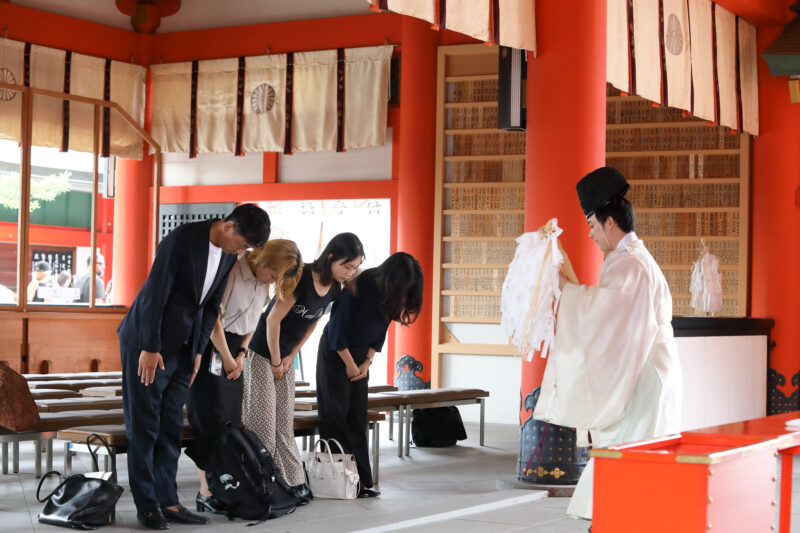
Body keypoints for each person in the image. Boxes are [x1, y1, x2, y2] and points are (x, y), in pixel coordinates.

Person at [532, 166, 682, 522]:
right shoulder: (635, 260)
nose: (591, 235)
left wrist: (567, 290)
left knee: (626, 465)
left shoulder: (628, 264)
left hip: (645, 378)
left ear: (610, 222)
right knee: (632, 466)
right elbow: (610, 317)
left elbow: (601, 316)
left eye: (592, 226)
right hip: (651, 371)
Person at [117, 203, 270, 530]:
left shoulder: (229, 255)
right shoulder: (181, 240)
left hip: (184, 348)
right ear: (228, 227)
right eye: (242, 244)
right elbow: (155, 295)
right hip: (148, 345)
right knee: (145, 426)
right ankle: (147, 506)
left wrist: (199, 351)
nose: (242, 252)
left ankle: (168, 501)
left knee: (170, 425)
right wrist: (149, 346)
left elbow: (210, 304)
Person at [243, 232, 364, 503]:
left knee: (284, 424)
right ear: (331, 257)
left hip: (285, 357)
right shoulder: (301, 276)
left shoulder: (334, 287)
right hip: (261, 352)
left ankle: (294, 482)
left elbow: (313, 323)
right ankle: (265, 485)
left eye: (355, 268)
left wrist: (290, 357)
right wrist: (275, 360)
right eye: (347, 266)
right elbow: (272, 321)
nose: (350, 272)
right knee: (263, 426)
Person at [188, 239, 303, 515]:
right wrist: (229, 357)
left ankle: (223, 486)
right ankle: (206, 490)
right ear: (265, 262)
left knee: (230, 422)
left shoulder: (263, 285)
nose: (273, 282)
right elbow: (212, 318)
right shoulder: (233, 270)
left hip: (237, 353)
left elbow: (254, 322)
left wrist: (240, 354)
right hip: (213, 347)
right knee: (209, 420)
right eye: (274, 275)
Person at [317, 251, 423, 498]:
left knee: (356, 417)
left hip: (361, 357)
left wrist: (366, 362)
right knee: (336, 415)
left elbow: (381, 330)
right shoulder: (360, 283)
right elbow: (337, 327)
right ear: (390, 276)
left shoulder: (390, 294)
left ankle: (361, 481)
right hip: (337, 353)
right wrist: (349, 363)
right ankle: (337, 482)